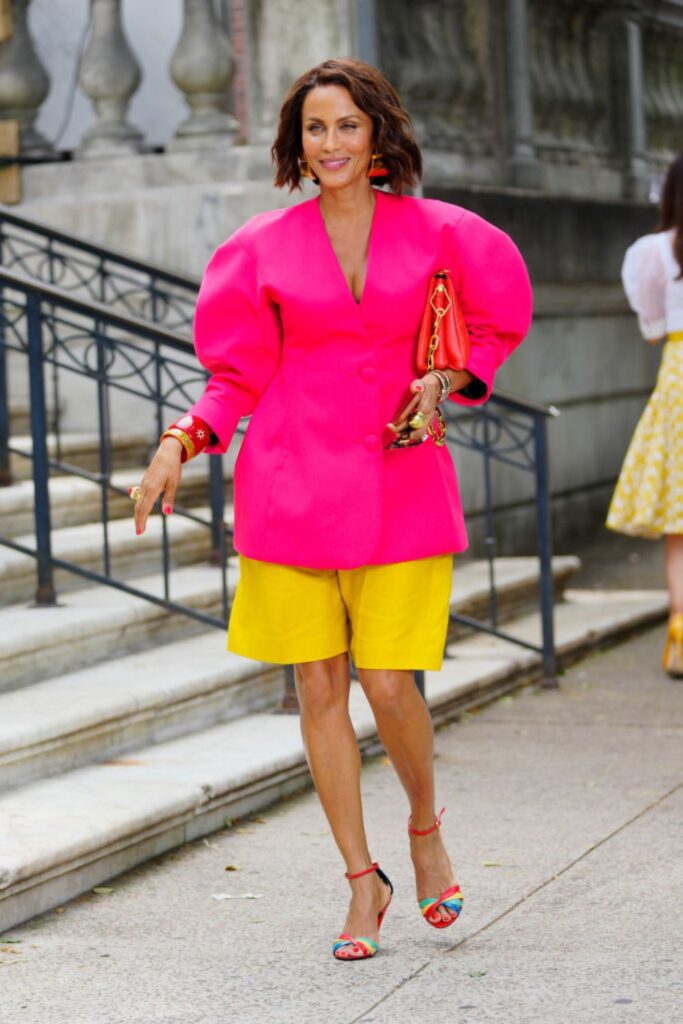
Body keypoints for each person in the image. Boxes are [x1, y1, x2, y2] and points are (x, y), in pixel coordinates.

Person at [131, 58, 532, 960]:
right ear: (296, 144)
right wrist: (178, 442)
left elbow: (497, 324)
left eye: (348, 125)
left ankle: (424, 831)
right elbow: (236, 374)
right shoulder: (258, 249)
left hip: (400, 483)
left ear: (378, 133)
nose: (332, 143)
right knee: (317, 687)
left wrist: (450, 375)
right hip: (288, 490)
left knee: (390, 684)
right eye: (315, 128)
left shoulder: (446, 233)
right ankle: (361, 882)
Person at [607, 151, 683, 680]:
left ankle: (681, 637)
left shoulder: (655, 252)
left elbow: (653, 328)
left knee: (679, 529)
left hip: (678, 379)